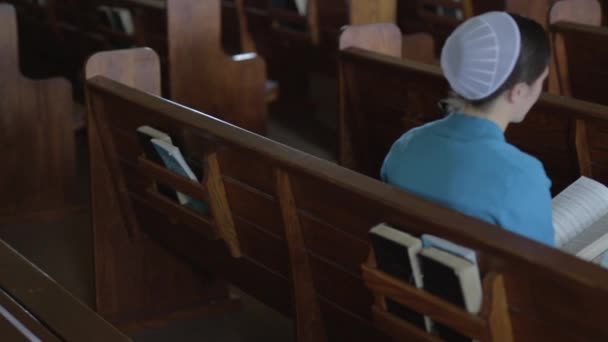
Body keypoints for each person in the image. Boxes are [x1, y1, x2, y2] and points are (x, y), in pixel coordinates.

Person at [380, 11, 555, 245]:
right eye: (541, 81)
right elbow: (542, 273)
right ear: (518, 91)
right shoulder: (522, 177)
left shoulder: (406, 145)